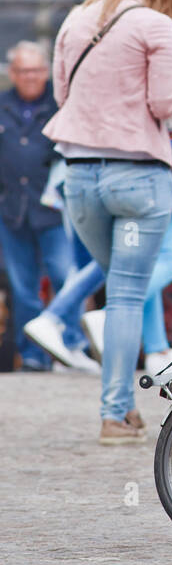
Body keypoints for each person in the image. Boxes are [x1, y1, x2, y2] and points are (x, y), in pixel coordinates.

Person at [42, 0, 172, 443]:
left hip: (79, 177)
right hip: (137, 177)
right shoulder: (157, 25)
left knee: (119, 287)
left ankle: (121, 411)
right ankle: (115, 413)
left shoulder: (75, 19)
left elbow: (62, 95)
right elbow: (163, 103)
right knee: (129, 293)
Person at [24, 46, 172, 377]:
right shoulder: (146, 62)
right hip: (146, 176)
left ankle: (155, 349)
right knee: (163, 260)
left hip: (92, 176)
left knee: (125, 260)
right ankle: (101, 315)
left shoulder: (99, 67)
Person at [0, 41, 91, 371]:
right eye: (24, 70)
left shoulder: (60, 104)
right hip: (12, 211)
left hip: (55, 211)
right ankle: (34, 357)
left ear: (46, 71)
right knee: (23, 288)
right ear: (12, 73)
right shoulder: (2, 105)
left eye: (37, 69)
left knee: (66, 279)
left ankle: (71, 348)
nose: (31, 76)